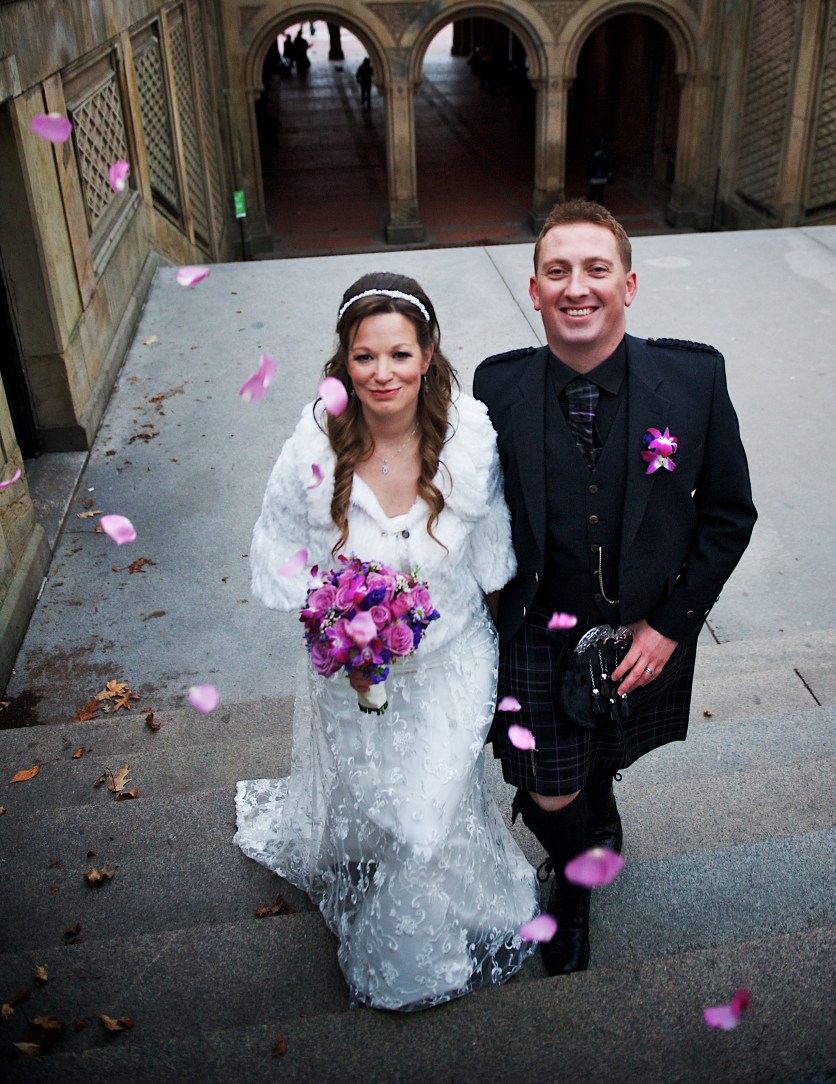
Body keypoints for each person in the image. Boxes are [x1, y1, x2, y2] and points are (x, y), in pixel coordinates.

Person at [235, 274, 538, 1011]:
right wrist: (334, 618)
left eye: (399, 354)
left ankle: (415, 956)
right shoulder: (313, 444)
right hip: (360, 679)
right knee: (390, 802)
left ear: (428, 354)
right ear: (342, 361)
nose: (383, 374)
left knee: (427, 808)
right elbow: (279, 553)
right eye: (364, 357)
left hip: (454, 659)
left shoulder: (470, 439)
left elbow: (494, 554)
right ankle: (457, 899)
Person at [473, 200, 756, 978]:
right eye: (557, 271)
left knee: (598, 757)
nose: (577, 287)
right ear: (533, 290)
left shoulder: (694, 379)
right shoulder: (495, 389)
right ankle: (574, 882)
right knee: (541, 784)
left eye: (596, 269)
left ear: (628, 285)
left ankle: (600, 793)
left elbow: (730, 514)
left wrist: (672, 625)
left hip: (642, 625)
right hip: (534, 624)